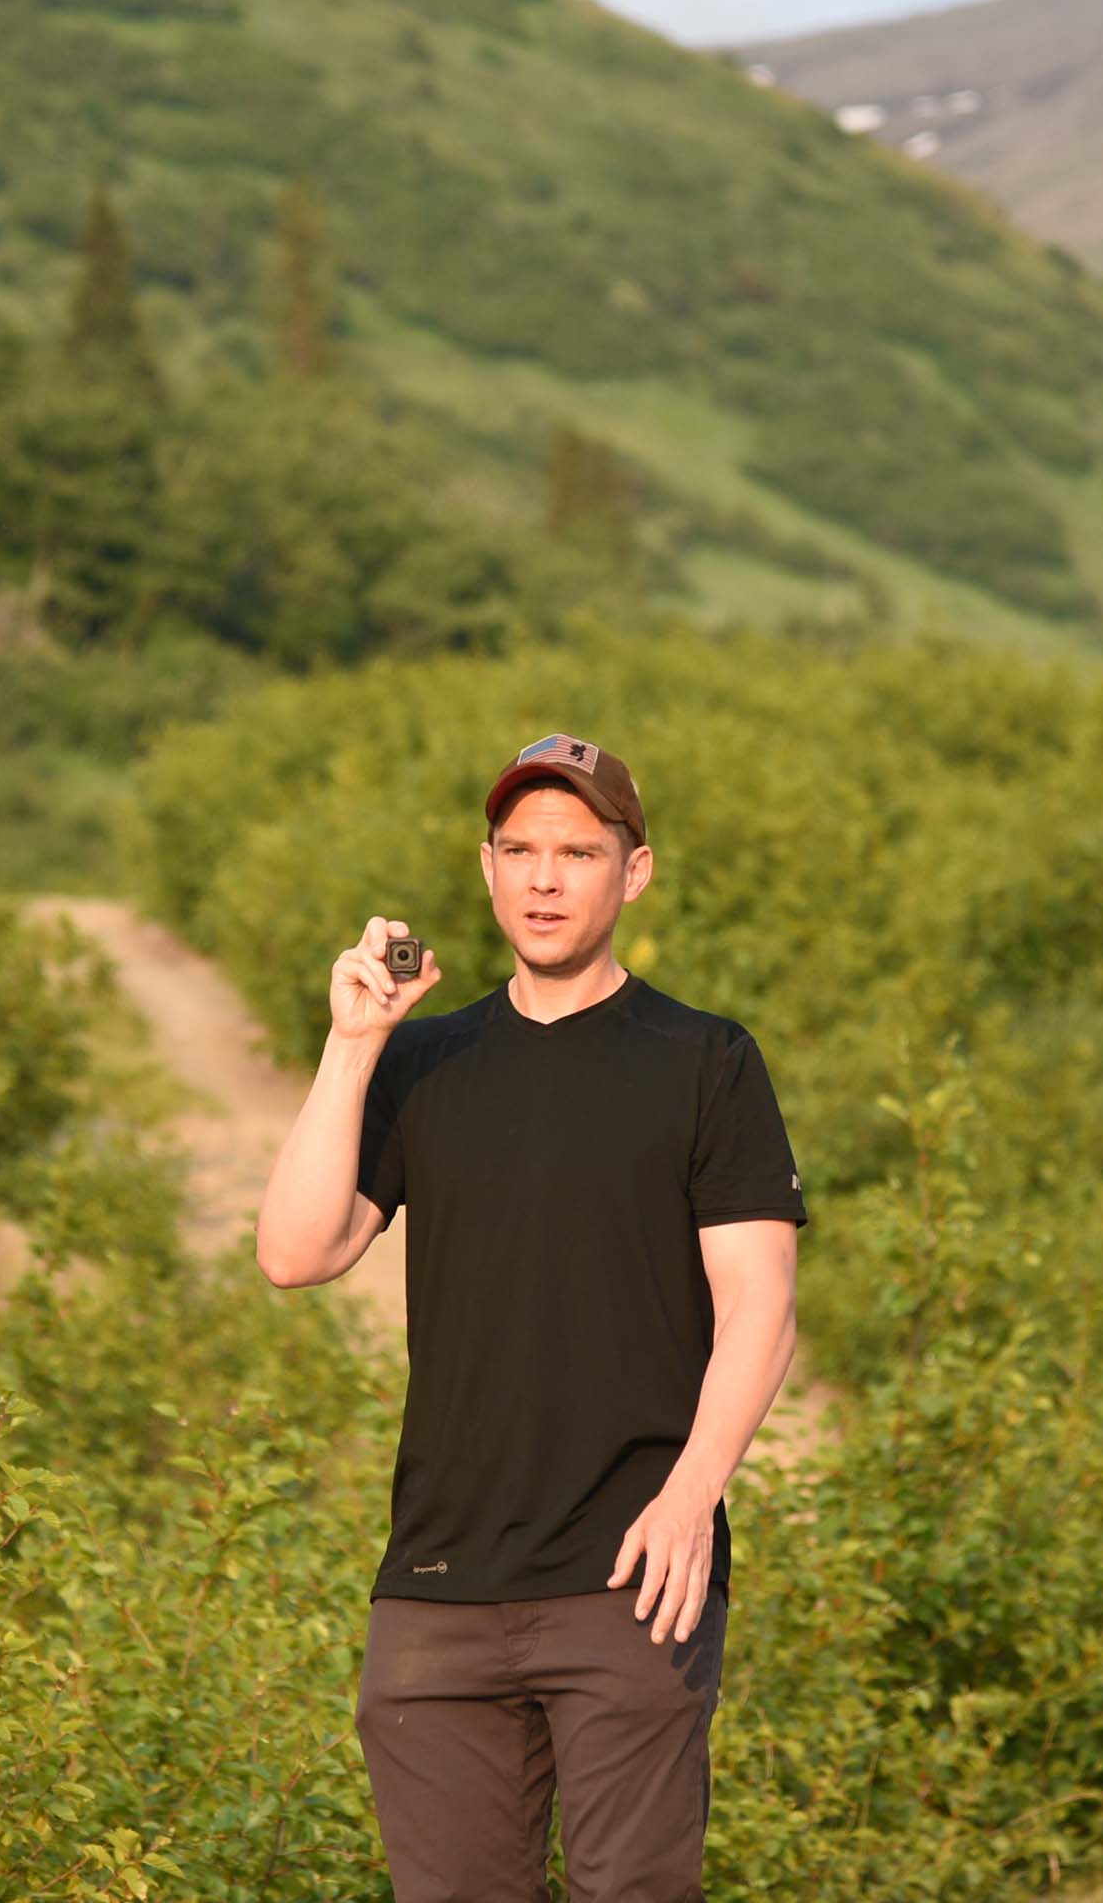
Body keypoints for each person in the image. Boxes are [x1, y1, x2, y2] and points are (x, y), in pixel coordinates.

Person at [254, 732, 806, 1900]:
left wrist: (693, 1493)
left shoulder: (706, 1060)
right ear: (488, 867)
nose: (545, 877)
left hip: (630, 1574)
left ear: (633, 871)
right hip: (437, 1586)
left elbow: (760, 1304)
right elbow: (296, 1250)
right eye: (519, 849)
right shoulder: (426, 1061)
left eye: (577, 850)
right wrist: (355, 1045)